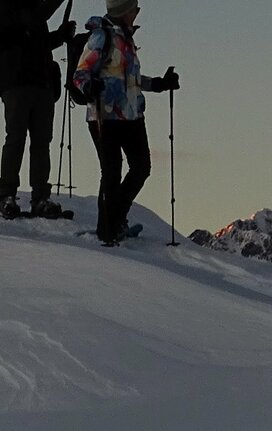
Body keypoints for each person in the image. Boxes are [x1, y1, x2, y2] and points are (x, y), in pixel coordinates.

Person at [70, 0, 177, 246]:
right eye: (135, 9)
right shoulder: (101, 37)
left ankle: (114, 221)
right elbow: (80, 74)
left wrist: (160, 83)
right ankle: (108, 228)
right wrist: (89, 86)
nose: (137, 14)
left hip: (131, 116)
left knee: (141, 167)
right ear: (123, 11)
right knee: (112, 172)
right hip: (105, 116)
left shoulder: (126, 39)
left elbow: (132, 79)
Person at [0, 0, 77, 218]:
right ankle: (7, 195)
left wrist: (60, 36)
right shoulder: (7, 7)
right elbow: (30, 24)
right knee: (16, 139)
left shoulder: (29, 10)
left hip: (39, 83)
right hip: (17, 83)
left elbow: (38, 41)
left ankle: (39, 197)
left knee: (40, 141)